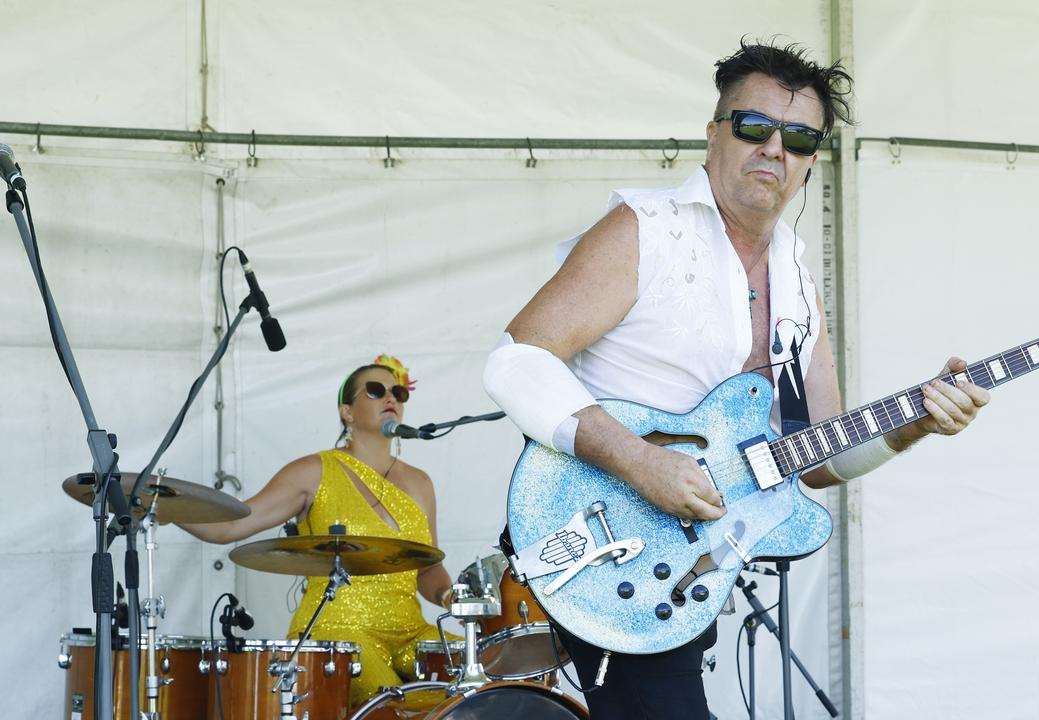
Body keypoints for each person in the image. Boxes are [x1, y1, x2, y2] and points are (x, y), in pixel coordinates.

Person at [482, 40, 991, 719]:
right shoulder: (647, 230)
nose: (774, 149)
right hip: (602, 535)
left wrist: (917, 423)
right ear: (714, 133)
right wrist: (639, 462)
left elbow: (816, 456)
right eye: (755, 127)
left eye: (800, 138)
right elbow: (516, 361)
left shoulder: (800, 284)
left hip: (687, 564)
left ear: (811, 161)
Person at [179, 355, 455, 708]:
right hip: (339, 633)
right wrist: (167, 507)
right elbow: (233, 525)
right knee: (394, 707)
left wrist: (451, 597)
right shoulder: (314, 471)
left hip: (410, 632)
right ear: (347, 412)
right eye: (375, 390)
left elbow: (428, 566)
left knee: (473, 686)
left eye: (398, 392)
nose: (391, 398)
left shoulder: (420, 482)